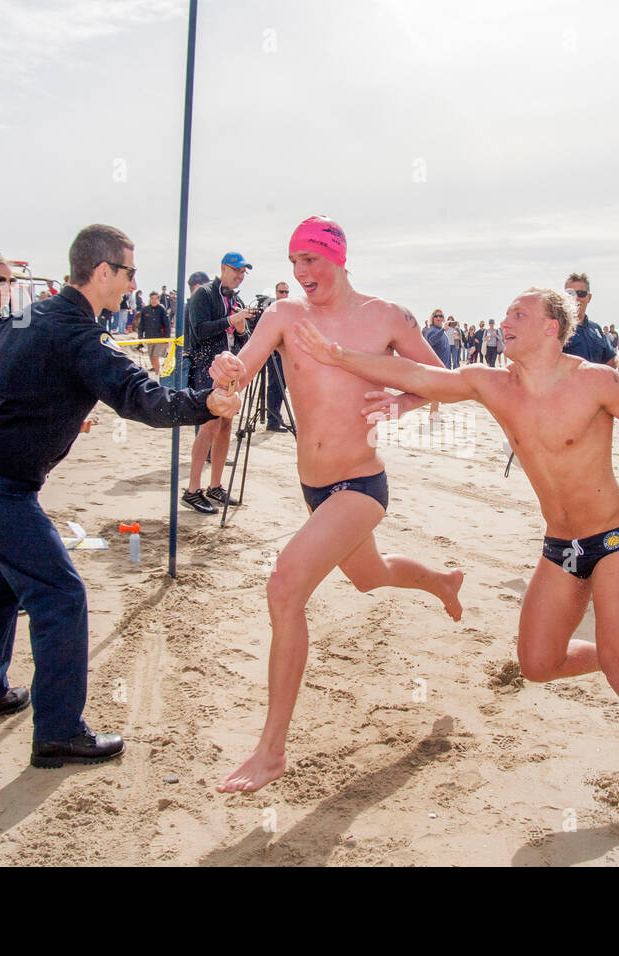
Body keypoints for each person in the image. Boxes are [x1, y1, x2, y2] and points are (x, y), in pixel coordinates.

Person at [293, 287, 619, 802]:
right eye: (505, 313)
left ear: (551, 327)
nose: (505, 321)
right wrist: (338, 356)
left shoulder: (595, 383)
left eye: (518, 314)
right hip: (560, 546)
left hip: (614, 539)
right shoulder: (493, 385)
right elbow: (421, 377)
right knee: (536, 664)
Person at [0, 224, 241, 767]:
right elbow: (141, 397)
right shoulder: (81, 332)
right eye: (129, 273)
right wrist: (207, 405)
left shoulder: (34, 315)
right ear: (103, 272)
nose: (133, 284)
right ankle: (58, 732)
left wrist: (49, 407)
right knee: (60, 595)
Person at [206, 215, 464, 793]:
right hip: (314, 488)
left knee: (284, 587)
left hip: (360, 486)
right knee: (369, 576)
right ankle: (441, 584)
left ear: (339, 259)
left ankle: (271, 752)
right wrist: (225, 377)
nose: (301, 273)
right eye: (294, 262)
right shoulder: (283, 315)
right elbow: (240, 372)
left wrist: (401, 403)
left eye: (311, 260)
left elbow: (443, 379)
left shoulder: (384, 317)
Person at [182, 259, 252, 515]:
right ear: (223, 269)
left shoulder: (238, 301)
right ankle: (192, 490)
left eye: (243, 272)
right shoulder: (203, 294)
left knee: (225, 425)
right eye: (236, 271)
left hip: (230, 370)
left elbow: (244, 341)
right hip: (205, 366)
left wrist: (242, 329)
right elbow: (198, 330)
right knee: (208, 426)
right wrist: (230, 320)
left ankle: (215, 486)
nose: (240, 276)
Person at [561, 273, 619, 383]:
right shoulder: (556, 329)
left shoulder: (596, 329)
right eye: (570, 294)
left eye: (581, 293)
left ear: (589, 297)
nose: (576, 298)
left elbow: (611, 358)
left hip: (597, 395)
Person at [263, 282, 293, 431]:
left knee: (281, 386)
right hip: (274, 354)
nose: (284, 295)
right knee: (275, 386)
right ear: (276, 292)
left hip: (284, 355)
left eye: (286, 292)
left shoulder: (288, 310)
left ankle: (276, 418)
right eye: (281, 292)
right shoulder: (272, 310)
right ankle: (273, 421)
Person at [422, 308, 452, 416]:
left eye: (441, 316)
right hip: (437, 366)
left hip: (443, 366)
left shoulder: (442, 332)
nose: (439, 318)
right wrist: (443, 330)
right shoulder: (433, 330)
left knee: (438, 392)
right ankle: (433, 415)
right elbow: (431, 341)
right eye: (436, 316)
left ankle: (434, 413)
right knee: (436, 392)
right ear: (433, 319)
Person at [139, 291, 170, 377]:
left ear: (158, 299)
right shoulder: (145, 310)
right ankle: (158, 374)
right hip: (149, 338)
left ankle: (158, 378)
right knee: (151, 359)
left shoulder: (162, 309)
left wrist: (167, 339)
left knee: (155, 357)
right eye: (152, 298)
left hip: (160, 338)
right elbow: (141, 324)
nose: (153, 300)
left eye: (155, 298)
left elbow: (167, 325)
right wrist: (140, 337)